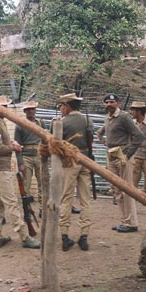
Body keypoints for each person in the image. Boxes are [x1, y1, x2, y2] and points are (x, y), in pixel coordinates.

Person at [0, 96, 40, 250]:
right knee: (11, 202)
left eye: (6, 106)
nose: (5, 109)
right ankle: (24, 236)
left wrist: (10, 144)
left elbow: (1, 145)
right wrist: (13, 147)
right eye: (2, 106)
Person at [97, 94, 145, 233]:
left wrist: (128, 154)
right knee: (117, 189)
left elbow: (138, 136)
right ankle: (124, 220)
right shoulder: (108, 118)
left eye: (111, 102)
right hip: (111, 156)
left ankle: (132, 223)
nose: (109, 104)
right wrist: (104, 142)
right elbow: (100, 132)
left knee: (127, 189)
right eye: (106, 102)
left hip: (122, 156)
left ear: (117, 103)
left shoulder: (124, 117)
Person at [56, 93, 93, 251]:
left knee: (66, 198)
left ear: (68, 106)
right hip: (85, 160)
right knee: (85, 200)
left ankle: (64, 235)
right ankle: (84, 235)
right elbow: (90, 140)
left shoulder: (61, 123)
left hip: (69, 162)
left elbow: (56, 145)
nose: (62, 109)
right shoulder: (87, 120)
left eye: (62, 106)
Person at [14, 101, 45, 206]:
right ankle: (27, 209)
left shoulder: (40, 123)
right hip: (26, 156)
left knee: (42, 183)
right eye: (28, 109)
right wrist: (20, 162)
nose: (31, 111)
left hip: (39, 155)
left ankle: (42, 208)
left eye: (32, 109)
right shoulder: (20, 125)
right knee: (26, 185)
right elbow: (17, 145)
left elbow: (45, 139)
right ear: (25, 111)